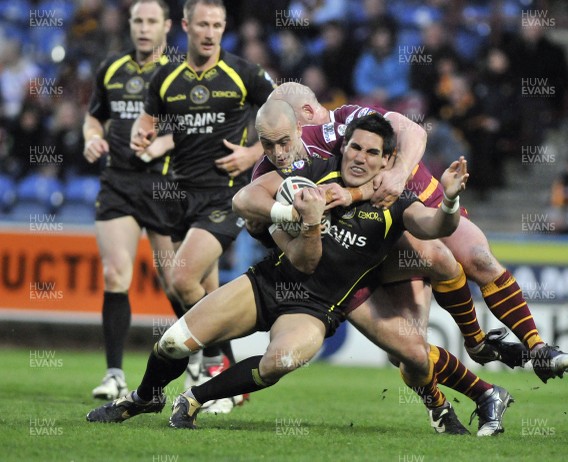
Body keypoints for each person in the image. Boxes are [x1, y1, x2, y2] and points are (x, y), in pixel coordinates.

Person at [87, 110, 511, 436]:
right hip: (268, 282)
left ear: (388, 160)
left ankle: (194, 399)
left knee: (279, 362)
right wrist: (288, 211)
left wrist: (451, 202)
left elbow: (436, 228)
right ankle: (143, 398)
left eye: (371, 152)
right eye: (354, 148)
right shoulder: (310, 173)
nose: (360, 159)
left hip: (318, 306)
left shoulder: (396, 206)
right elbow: (244, 198)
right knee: (174, 343)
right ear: (342, 147)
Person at [268, 82, 568, 383]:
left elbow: (414, 131)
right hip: (384, 235)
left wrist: (399, 173)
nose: (285, 142)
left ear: (306, 112)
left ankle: (536, 348)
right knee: (409, 349)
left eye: (289, 128)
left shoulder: (347, 119)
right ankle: (445, 402)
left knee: (479, 258)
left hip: (423, 199)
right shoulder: (300, 158)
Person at [129, 0, 276, 412]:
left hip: (227, 195)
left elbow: (289, 116)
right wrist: (143, 135)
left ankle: (214, 360)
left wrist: (251, 155)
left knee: (180, 278)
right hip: (179, 194)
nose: (210, 32)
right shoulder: (167, 76)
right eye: (203, 25)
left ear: (224, 27)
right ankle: (223, 370)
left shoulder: (243, 73)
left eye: (217, 25)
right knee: (202, 289)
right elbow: (148, 120)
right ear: (185, 26)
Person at [82, 0, 180, 400]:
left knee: (176, 283)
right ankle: (115, 374)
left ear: (167, 26)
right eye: (137, 20)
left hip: (163, 186)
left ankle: (201, 361)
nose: (143, 27)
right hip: (118, 183)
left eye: (151, 20)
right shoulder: (111, 67)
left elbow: (194, 130)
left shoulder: (178, 74)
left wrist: (160, 146)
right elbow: (94, 117)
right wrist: (91, 138)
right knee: (114, 274)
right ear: (130, 24)